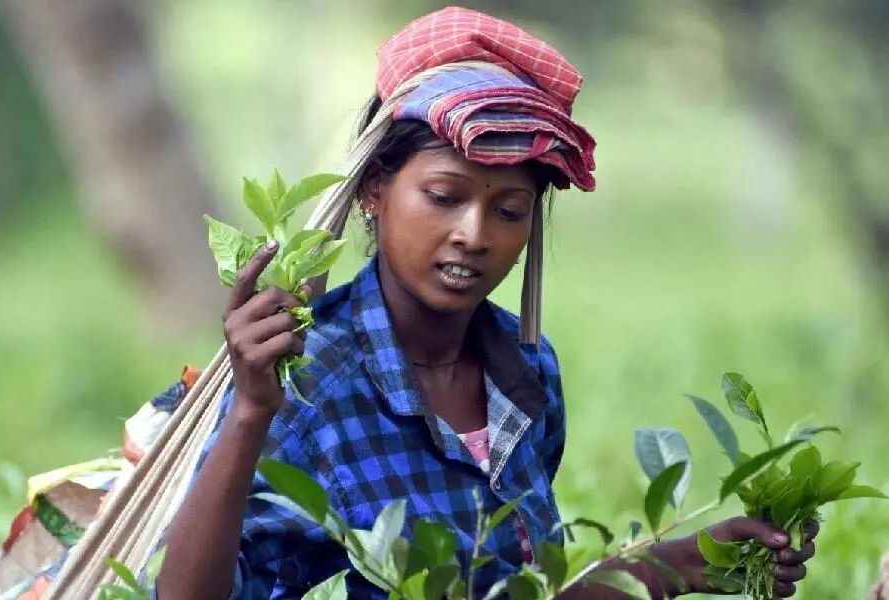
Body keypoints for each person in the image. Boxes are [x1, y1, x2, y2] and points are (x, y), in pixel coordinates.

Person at [154, 6, 818, 599]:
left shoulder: (527, 370)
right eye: (444, 197)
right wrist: (248, 414)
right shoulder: (304, 382)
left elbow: (515, 591)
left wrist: (683, 563)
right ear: (373, 190)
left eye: (508, 210)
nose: (474, 235)